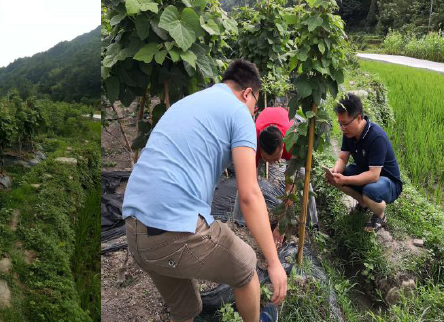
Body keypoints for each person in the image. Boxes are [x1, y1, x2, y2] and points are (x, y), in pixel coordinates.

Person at [122, 59, 287, 322]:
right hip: (172, 229)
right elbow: (249, 194)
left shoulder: (187, 102)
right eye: (255, 105)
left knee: (186, 308)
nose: (254, 112)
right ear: (247, 93)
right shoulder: (239, 111)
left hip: (133, 229)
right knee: (246, 267)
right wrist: (275, 263)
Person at [233, 107, 318, 247]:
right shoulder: (251, 144)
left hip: (284, 124)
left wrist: (281, 227)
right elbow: (248, 185)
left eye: (277, 158)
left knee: (303, 178)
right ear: (260, 151)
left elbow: (290, 189)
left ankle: (313, 224)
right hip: (263, 129)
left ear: (282, 147)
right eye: (269, 160)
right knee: (244, 182)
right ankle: (238, 222)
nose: (275, 163)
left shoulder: (292, 142)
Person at [325, 93, 403, 232]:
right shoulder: (348, 133)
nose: (342, 128)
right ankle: (364, 204)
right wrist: (335, 172)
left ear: (359, 118)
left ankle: (380, 216)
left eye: (345, 124)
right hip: (367, 174)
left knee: (370, 191)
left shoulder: (376, 136)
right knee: (338, 176)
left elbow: (374, 176)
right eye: (340, 124)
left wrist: (346, 179)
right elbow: (343, 158)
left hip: (388, 183)